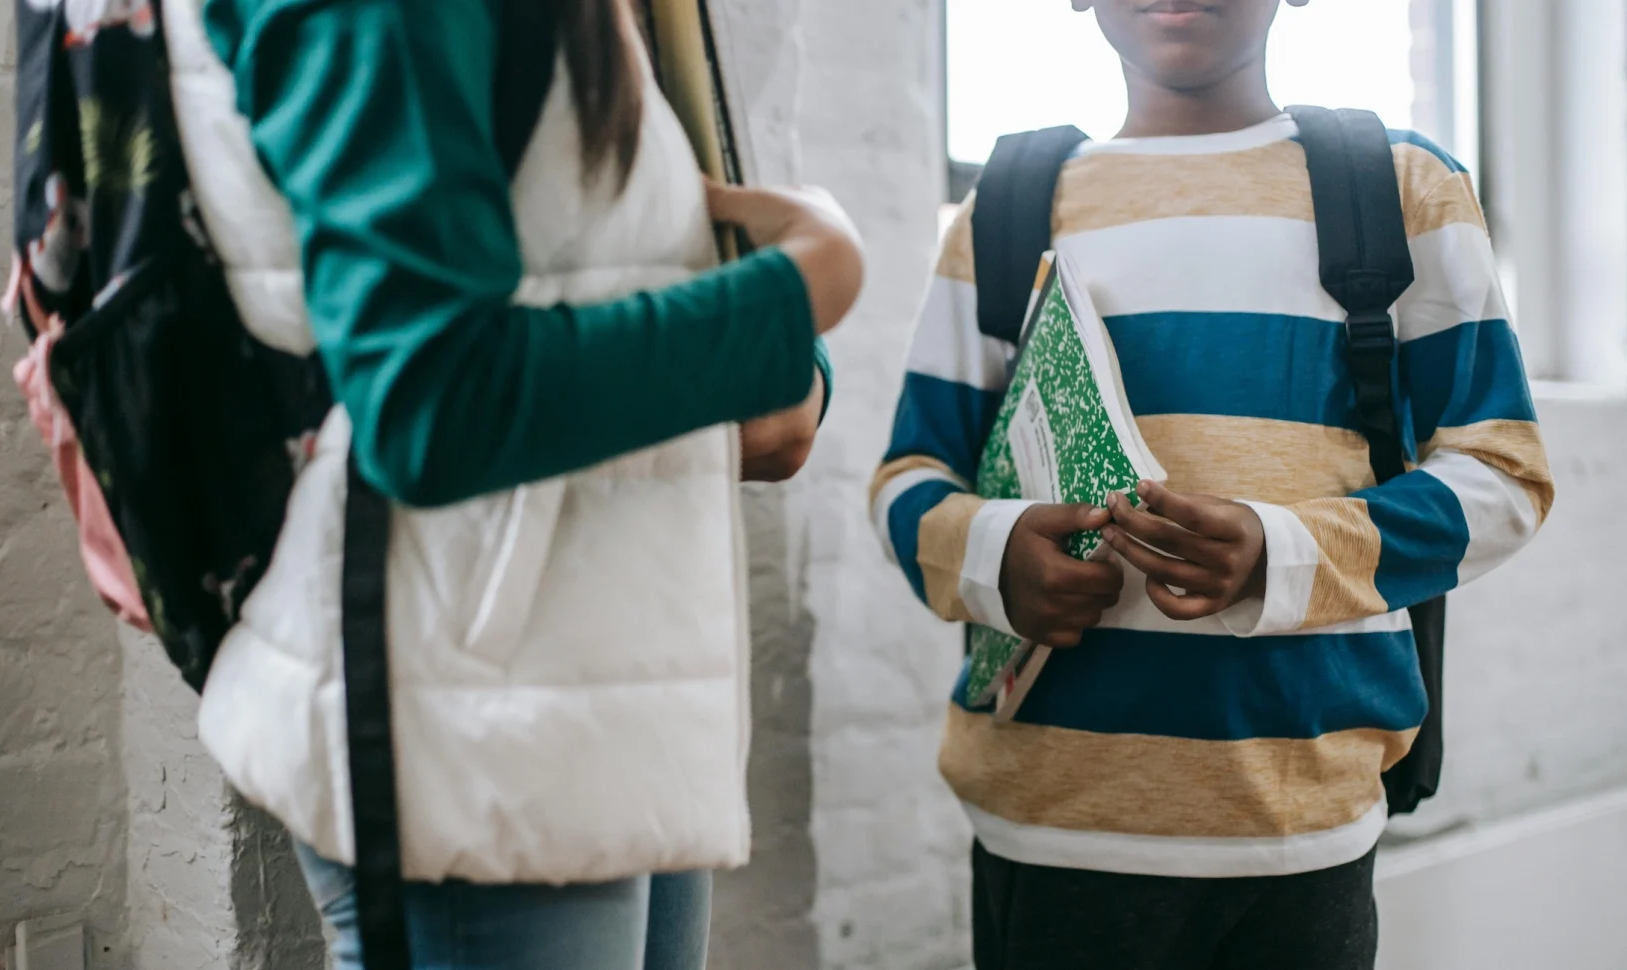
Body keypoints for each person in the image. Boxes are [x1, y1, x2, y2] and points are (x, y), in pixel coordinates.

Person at [157, 0, 864, 966]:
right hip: (471, 714)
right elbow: (428, 394)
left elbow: (591, 258)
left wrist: (781, 350)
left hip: (593, 678)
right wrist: (790, 300)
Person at [870, 1, 1553, 968]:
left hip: (1297, 825)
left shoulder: (1398, 189)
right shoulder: (1008, 207)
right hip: (1050, 822)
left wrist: (1283, 552)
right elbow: (910, 475)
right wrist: (993, 556)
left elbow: (1504, 473)